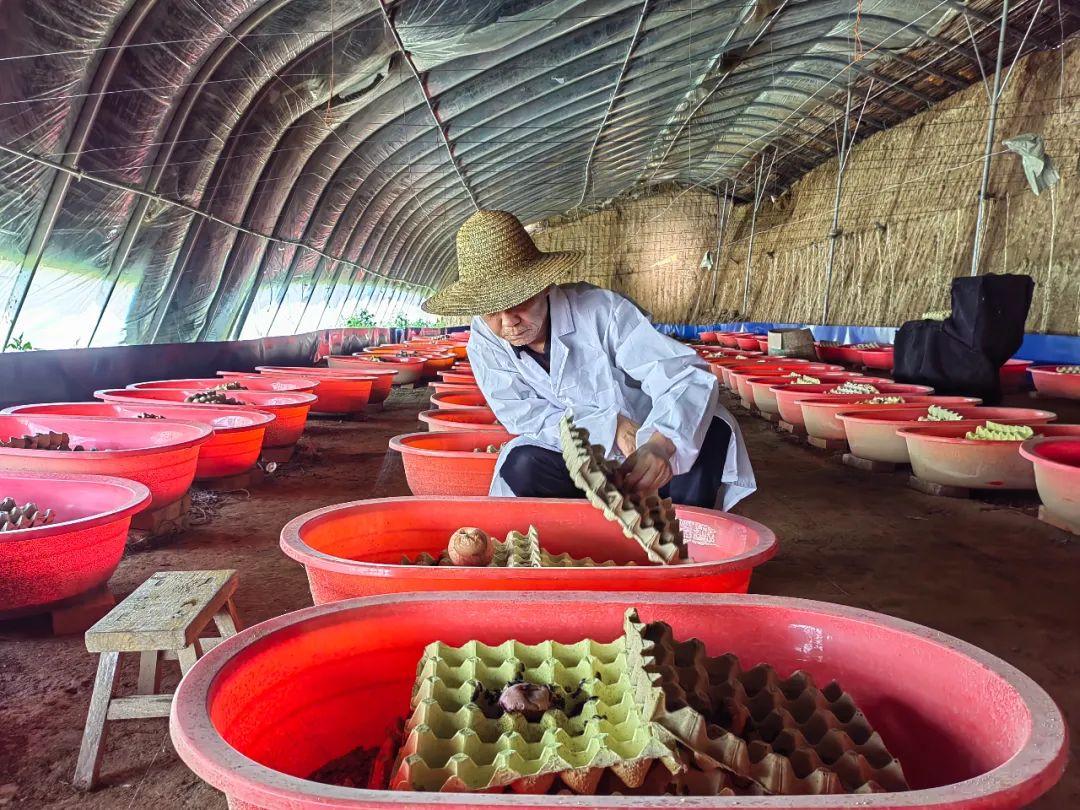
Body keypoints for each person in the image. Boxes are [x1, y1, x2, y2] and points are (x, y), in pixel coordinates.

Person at [421, 210, 755, 510]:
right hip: (579, 452)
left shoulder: (601, 312)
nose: (508, 321)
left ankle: (679, 544)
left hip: (650, 441)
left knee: (711, 431)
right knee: (522, 465)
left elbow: (682, 376)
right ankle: (585, 529)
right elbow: (523, 415)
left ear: (543, 287)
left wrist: (659, 443)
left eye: (518, 302)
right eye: (493, 310)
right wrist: (609, 428)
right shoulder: (485, 339)